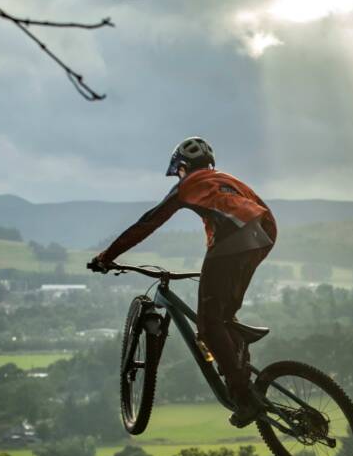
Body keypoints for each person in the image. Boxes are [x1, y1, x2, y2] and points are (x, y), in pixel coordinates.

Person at [87, 137, 277, 426]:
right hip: (263, 236)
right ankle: (238, 347)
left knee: (208, 325)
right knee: (223, 316)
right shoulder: (228, 180)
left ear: (183, 167)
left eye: (178, 171)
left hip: (233, 240)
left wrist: (107, 256)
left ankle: (242, 397)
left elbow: (147, 222)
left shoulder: (188, 185)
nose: (179, 177)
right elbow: (260, 213)